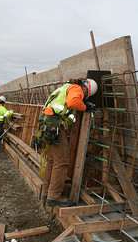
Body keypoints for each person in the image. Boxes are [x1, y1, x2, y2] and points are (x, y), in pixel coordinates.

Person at [35, 78, 98, 207]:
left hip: (47, 122)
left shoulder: (64, 88)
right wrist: (86, 107)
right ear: (85, 89)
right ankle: (54, 198)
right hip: (54, 125)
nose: (83, 97)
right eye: (85, 95)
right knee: (62, 162)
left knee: (52, 162)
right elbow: (73, 102)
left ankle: (46, 194)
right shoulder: (76, 88)